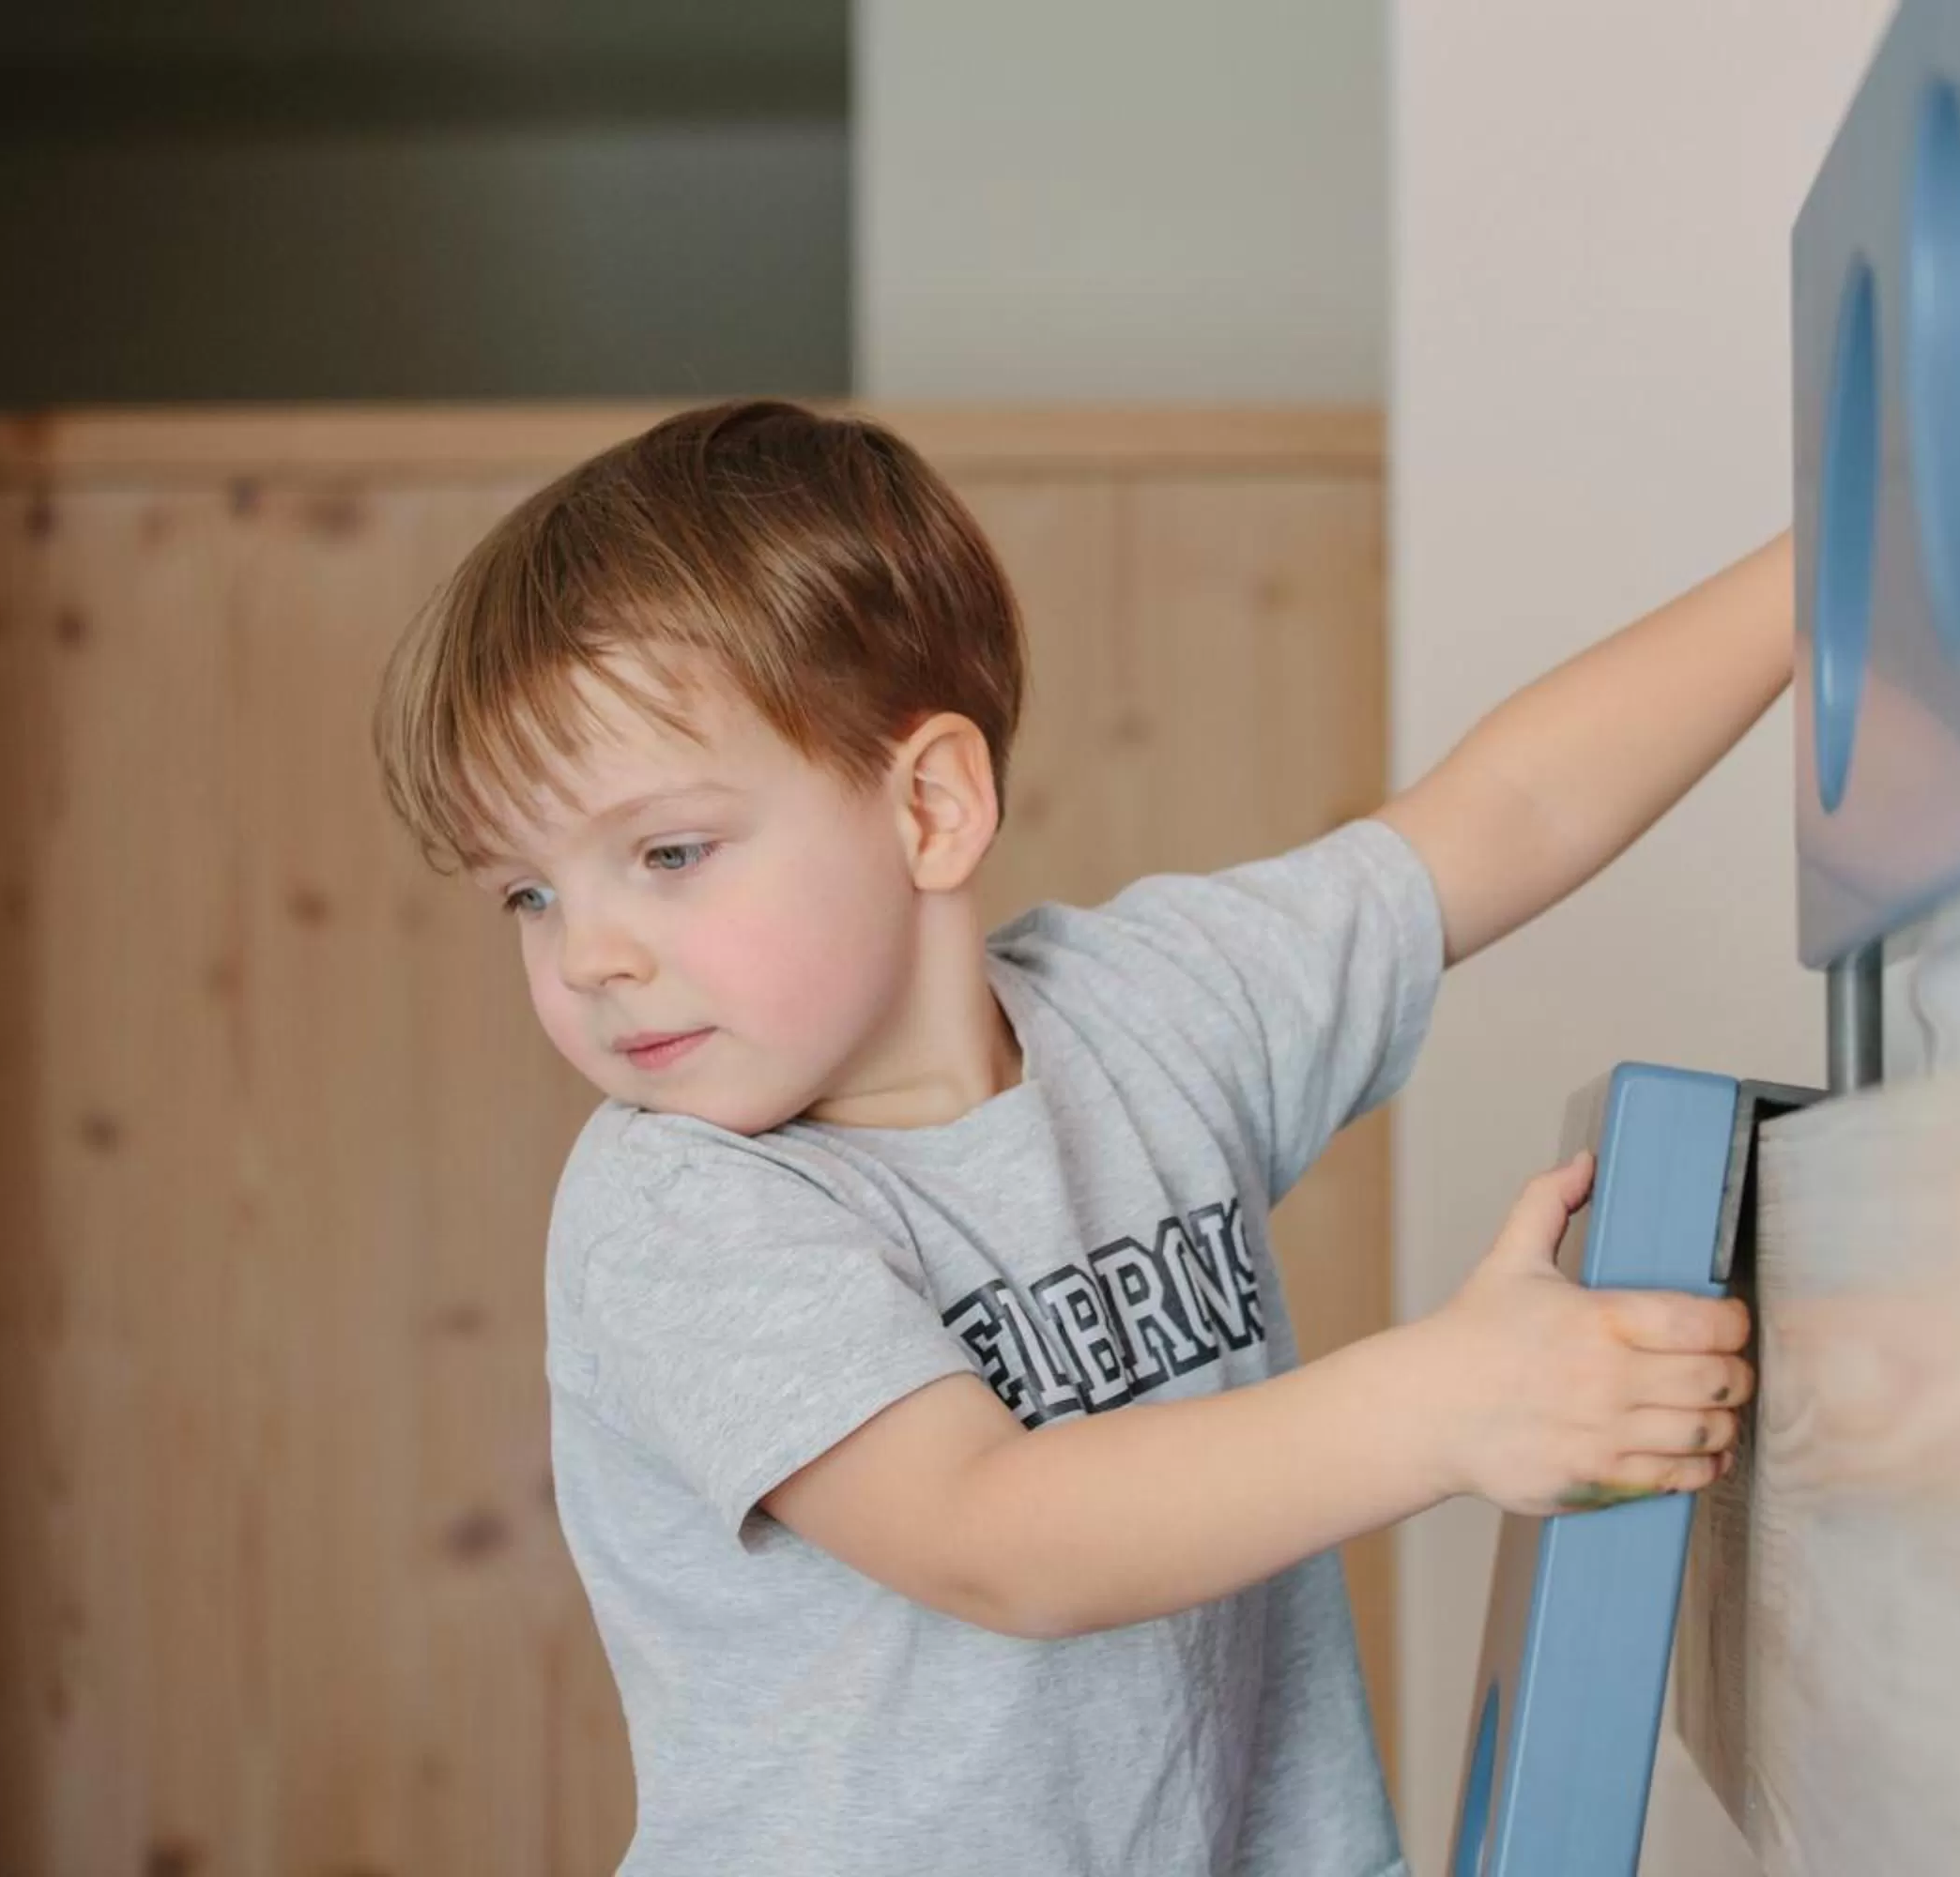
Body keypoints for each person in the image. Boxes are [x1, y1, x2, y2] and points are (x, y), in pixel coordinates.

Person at [372, 400, 1799, 1874]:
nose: (589, 954)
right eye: (528, 896)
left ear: (932, 804)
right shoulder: (676, 1205)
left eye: (667, 854)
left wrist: (1814, 578)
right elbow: (993, 1535)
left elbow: (1506, 809)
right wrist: (1446, 1407)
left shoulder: (1150, 1018)